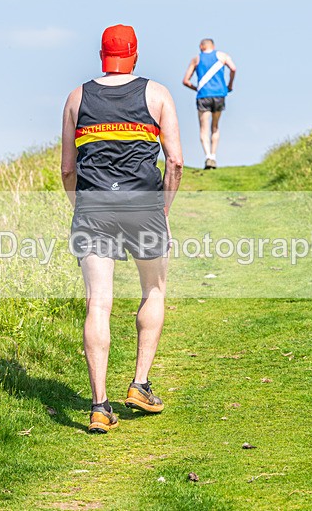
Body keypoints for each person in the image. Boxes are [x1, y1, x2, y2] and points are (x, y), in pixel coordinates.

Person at [61, 24, 184, 433]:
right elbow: (176, 162)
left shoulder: (78, 97)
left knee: (98, 302)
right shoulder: (158, 94)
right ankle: (140, 384)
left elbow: (67, 169)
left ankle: (99, 406)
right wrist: (163, 207)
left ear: (101, 54)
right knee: (154, 290)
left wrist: (81, 207)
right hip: (144, 207)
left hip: (94, 207)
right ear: (135, 53)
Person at [182, 38, 237, 169]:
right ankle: (213, 155)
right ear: (213, 46)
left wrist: (197, 88)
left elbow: (185, 81)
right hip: (219, 94)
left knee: (203, 128)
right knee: (215, 127)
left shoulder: (196, 59)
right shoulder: (222, 56)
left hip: (204, 96)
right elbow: (233, 69)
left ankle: (207, 156)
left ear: (201, 46)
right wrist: (229, 85)